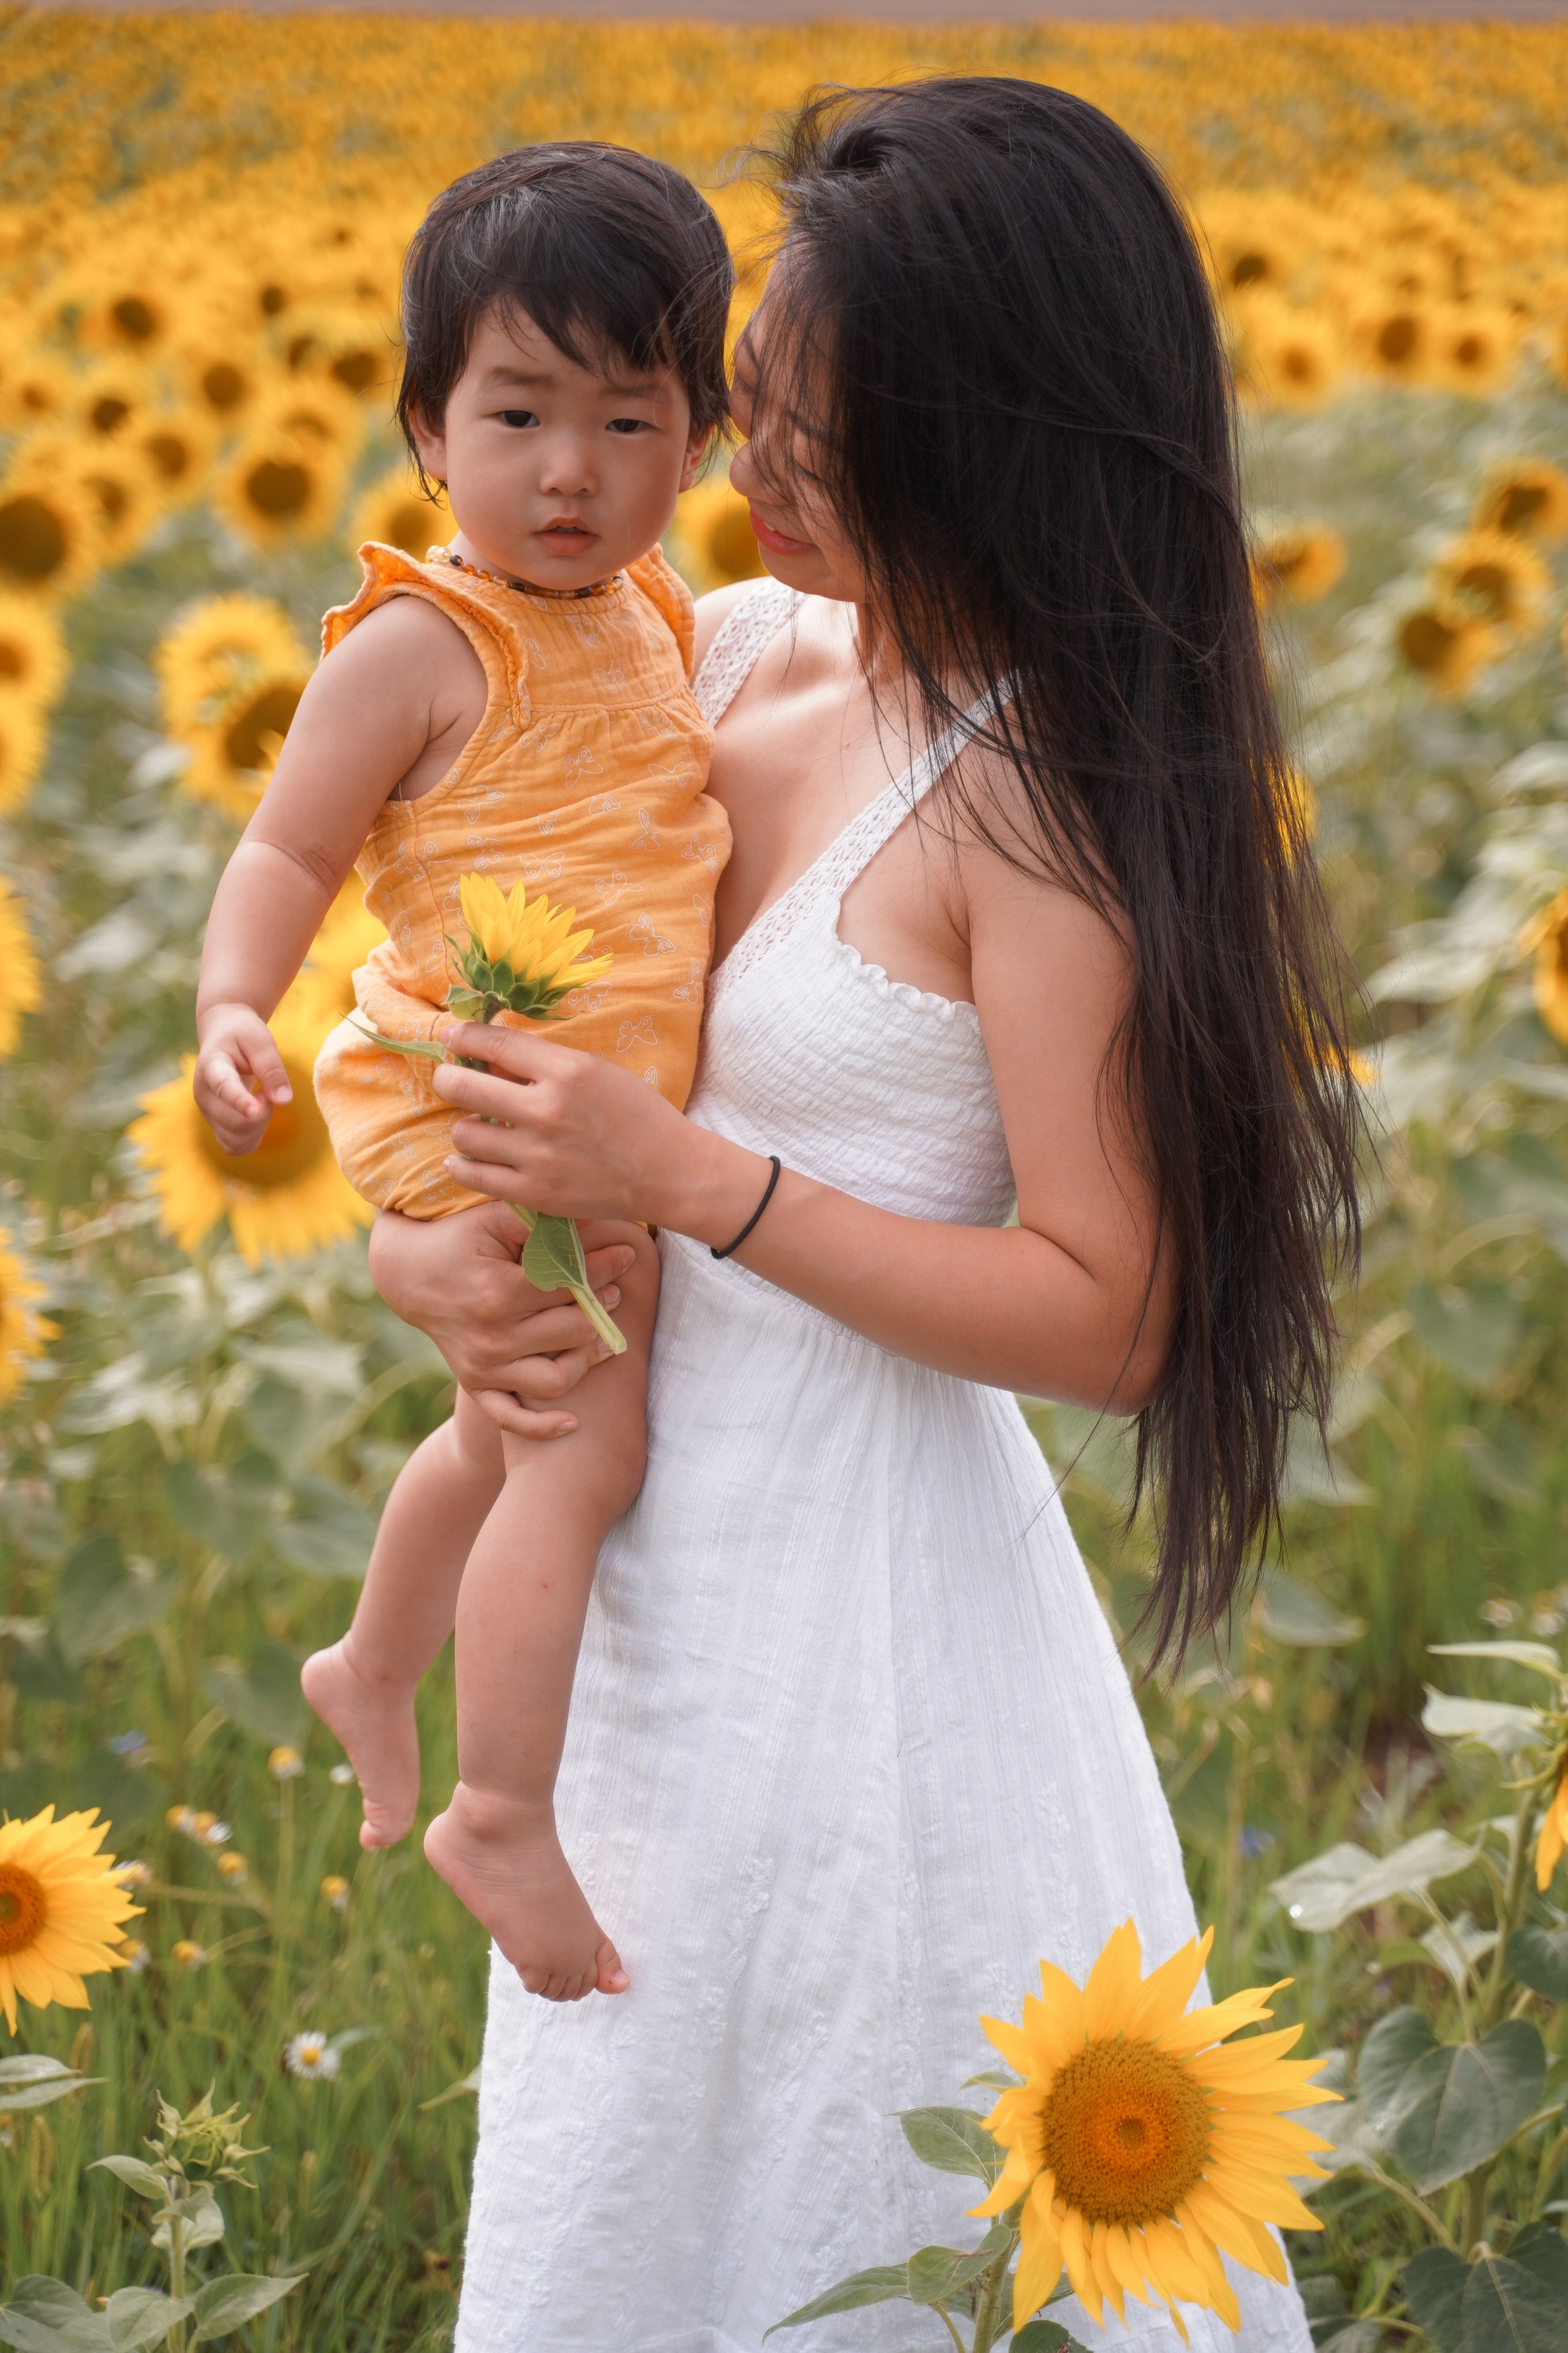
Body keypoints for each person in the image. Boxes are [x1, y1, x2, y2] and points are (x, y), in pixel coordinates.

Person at [371, 78, 1359, 2352]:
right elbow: (472, 984)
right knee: (635, 2159)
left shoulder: (1038, 800)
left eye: (809, 433)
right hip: (635, 1569)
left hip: (863, 1624)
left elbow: (1115, 1315)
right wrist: (425, 1241)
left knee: (856, 2176)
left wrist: (691, 1180)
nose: (731, 466)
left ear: (991, 432)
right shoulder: (707, 652)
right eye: (750, 407)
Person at [189, 144, 733, 2004]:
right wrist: (231, 1003)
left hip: (582, 1110)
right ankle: (501, 1804)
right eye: (516, 412)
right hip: (476, 1085)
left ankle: (373, 1654)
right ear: (430, 431)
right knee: (585, 1449)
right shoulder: (424, 642)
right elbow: (284, 854)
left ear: (699, 442)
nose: (569, 469)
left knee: (505, 1425)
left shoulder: (664, 620)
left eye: (627, 417)